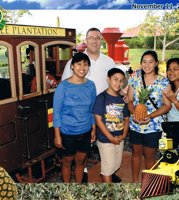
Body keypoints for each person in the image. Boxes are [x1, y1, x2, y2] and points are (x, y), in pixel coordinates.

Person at [61, 27, 116, 182]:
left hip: (105, 110)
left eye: (97, 38)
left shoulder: (109, 61)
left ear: (101, 41)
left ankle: (109, 170)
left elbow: (116, 82)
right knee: (83, 146)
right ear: (85, 40)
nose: (94, 41)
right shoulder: (77, 61)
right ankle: (83, 172)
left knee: (106, 142)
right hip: (82, 113)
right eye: (91, 37)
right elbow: (65, 86)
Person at [127, 50, 172, 182]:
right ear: (141, 63)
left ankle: (149, 184)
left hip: (153, 125)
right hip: (135, 123)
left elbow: (167, 105)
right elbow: (130, 101)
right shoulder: (134, 79)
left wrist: (150, 116)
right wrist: (134, 113)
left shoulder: (163, 82)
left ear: (156, 63)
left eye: (151, 62)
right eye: (144, 62)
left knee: (150, 156)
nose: (147, 65)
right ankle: (135, 182)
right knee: (135, 153)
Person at [53, 52, 96, 183]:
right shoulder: (63, 87)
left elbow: (92, 110)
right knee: (67, 162)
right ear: (72, 66)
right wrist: (57, 135)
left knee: (81, 162)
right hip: (67, 132)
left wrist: (93, 129)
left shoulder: (91, 85)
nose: (82, 67)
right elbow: (56, 113)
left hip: (85, 130)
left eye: (85, 64)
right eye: (79, 64)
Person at [93, 68, 129, 183]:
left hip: (119, 138)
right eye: (115, 79)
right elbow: (98, 120)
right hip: (106, 139)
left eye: (121, 81)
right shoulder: (101, 98)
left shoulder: (122, 100)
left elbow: (126, 119)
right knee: (107, 170)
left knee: (116, 165)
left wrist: (123, 135)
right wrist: (110, 138)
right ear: (108, 79)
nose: (118, 83)